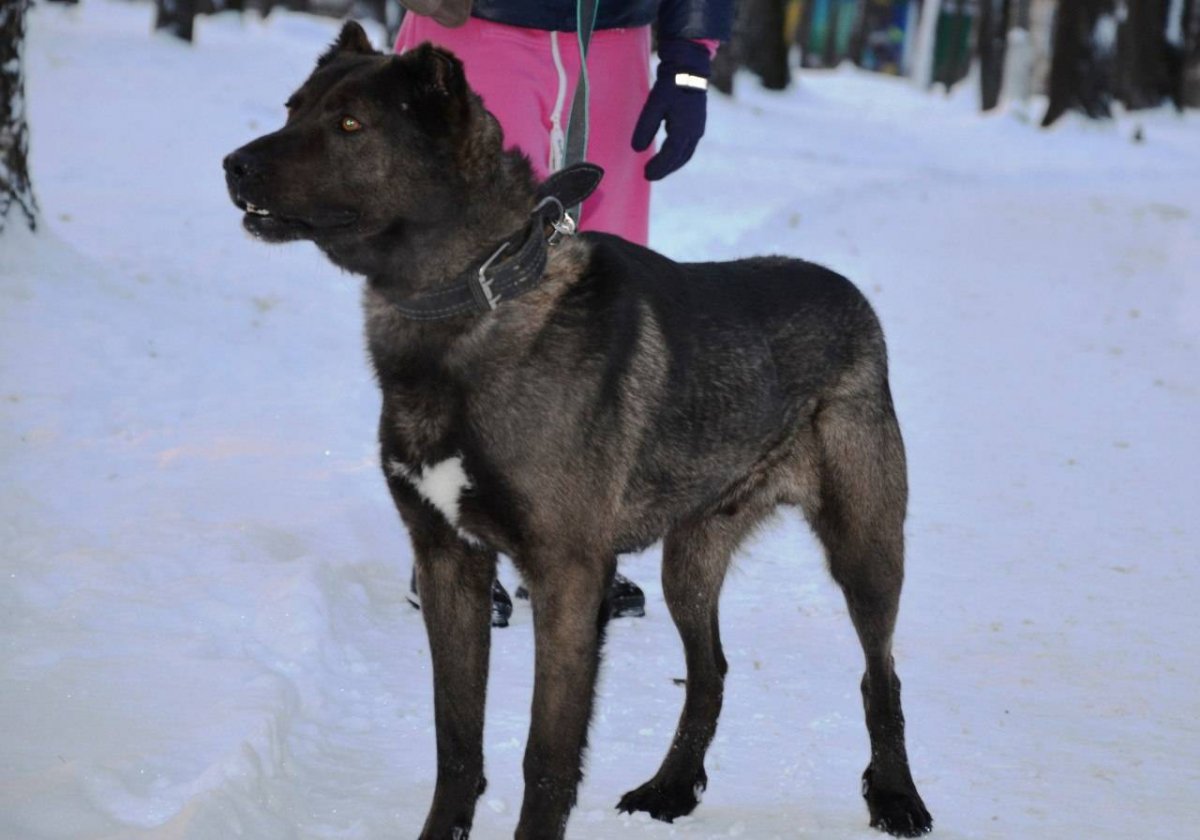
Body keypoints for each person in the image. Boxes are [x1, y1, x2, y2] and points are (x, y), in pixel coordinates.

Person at [396, 0, 734, 626]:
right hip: (474, 28)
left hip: (607, 42)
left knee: (598, 294)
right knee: (458, 279)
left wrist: (688, 61)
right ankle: (450, 536)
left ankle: (567, 533)